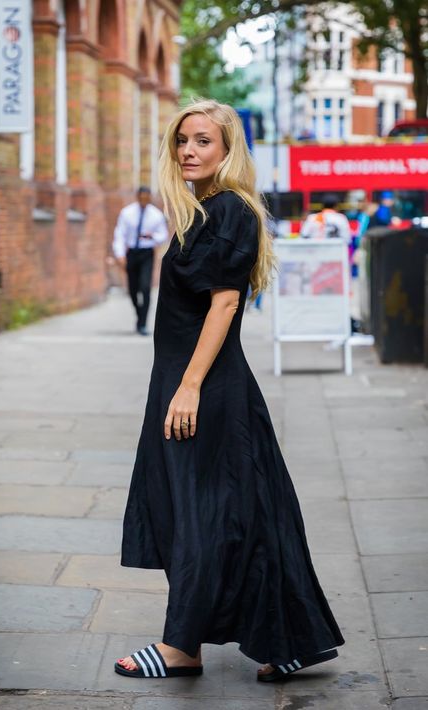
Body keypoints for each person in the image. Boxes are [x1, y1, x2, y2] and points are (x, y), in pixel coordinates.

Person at [115, 99, 344, 683]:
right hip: (185, 378)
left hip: (206, 384)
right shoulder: (201, 210)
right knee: (241, 509)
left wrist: (189, 386)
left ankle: (180, 647)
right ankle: (286, 637)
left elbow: (224, 303)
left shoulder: (230, 211)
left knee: (201, 512)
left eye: (202, 142)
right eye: (182, 141)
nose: (189, 151)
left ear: (227, 150)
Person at [113, 187, 168, 335]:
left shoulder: (156, 215)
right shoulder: (127, 213)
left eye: (147, 198)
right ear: (137, 197)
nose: (144, 200)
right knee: (132, 289)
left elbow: (163, 235)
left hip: (147, 253)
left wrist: (152, 237)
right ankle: (139, 314)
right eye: (141, 197)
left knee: (145, 287)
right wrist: (120, 255)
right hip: (131, 253)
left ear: (150, 198)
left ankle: (143, 323)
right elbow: (120, 234)